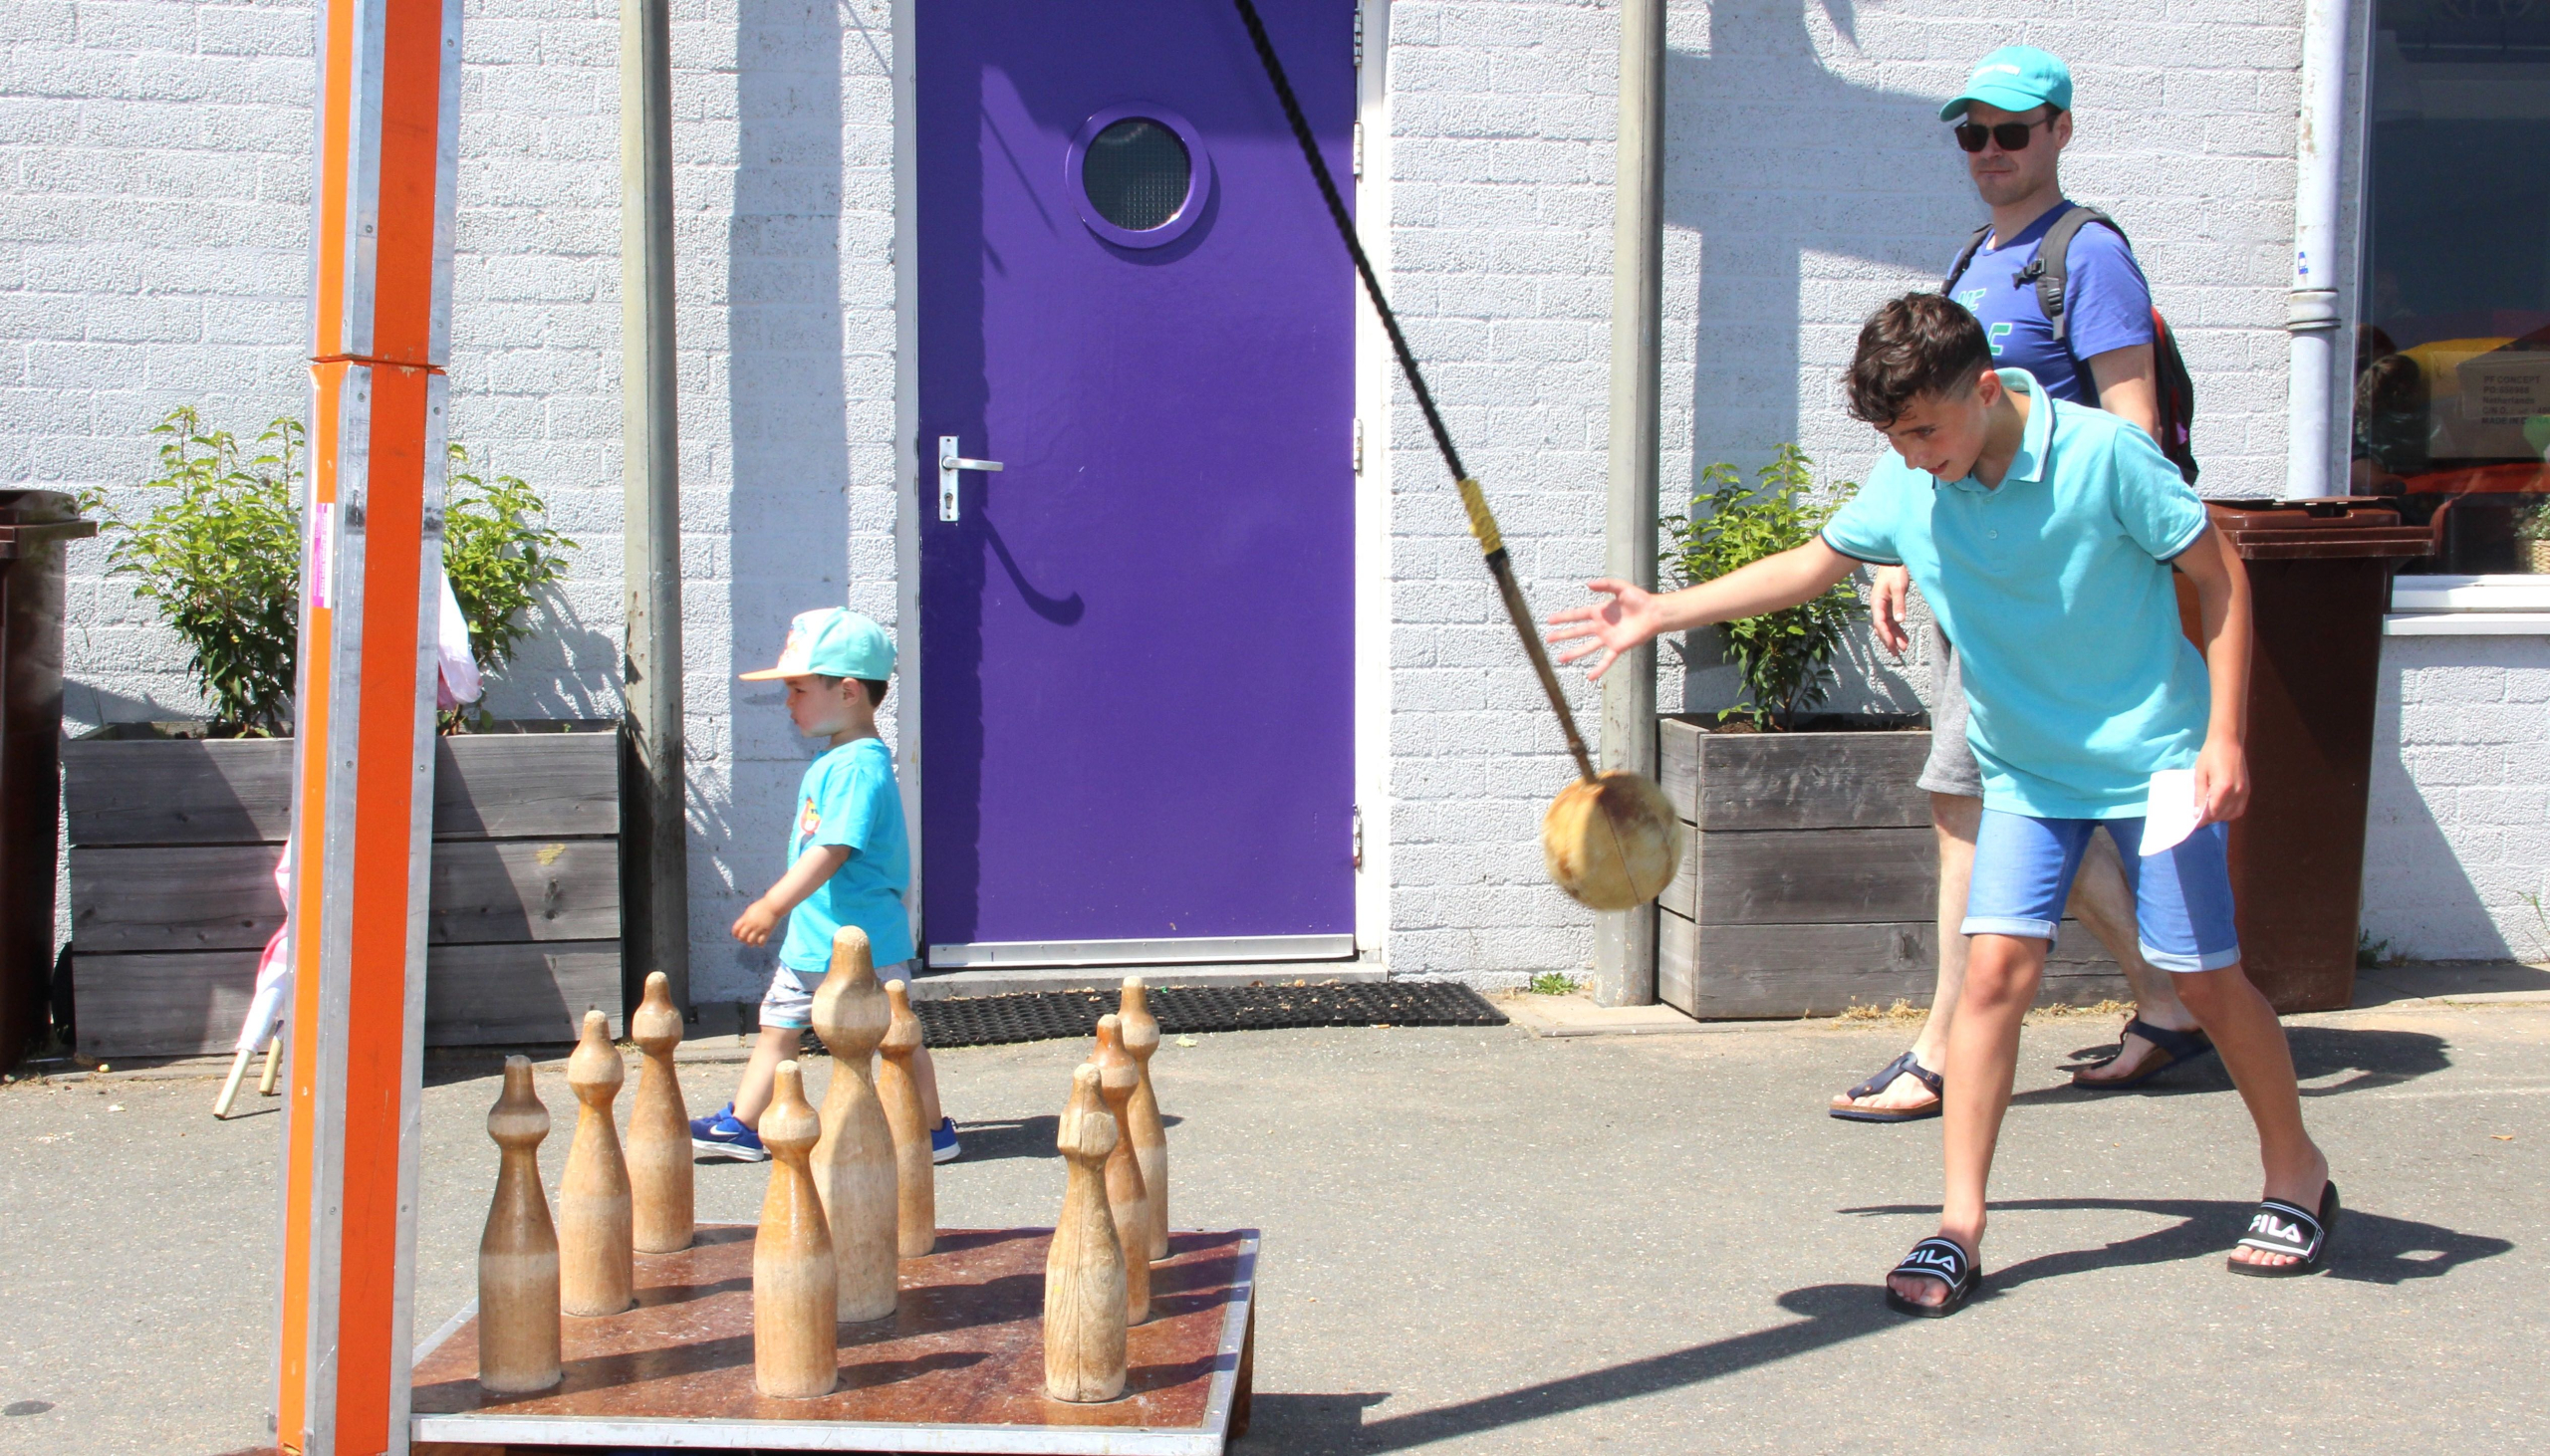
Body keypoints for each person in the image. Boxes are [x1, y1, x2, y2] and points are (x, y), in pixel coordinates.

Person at [1551, 295, 2336, 1310]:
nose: (1912, 454)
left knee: (2204, 980)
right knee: (1991, 980)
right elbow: (1809, 565)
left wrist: (2226, 734)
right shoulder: (1913, 478)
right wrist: (1663, 612)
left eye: (1923, 428)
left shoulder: (2104, 457)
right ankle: (1958, 1223)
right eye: (1892, 436)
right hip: (2025, 770)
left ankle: (2293, 1168)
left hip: (2158, 760)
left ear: (1986, 388)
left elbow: (2218, 574)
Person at [1834, 45, 2218, 1119]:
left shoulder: (2083, 256)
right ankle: (2170, 1000)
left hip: (2046, 596)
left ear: (2058, 131)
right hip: (1984, 586)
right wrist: (1903, 550)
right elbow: (1937, 443)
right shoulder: (1975, 261)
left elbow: (2129, 427)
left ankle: (1943, 1048)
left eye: (2012, 130)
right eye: (1972, 133)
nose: (1990, 151)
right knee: (2012, 798)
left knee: (1968, 804)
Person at [689, 607, 959, 1164]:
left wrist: (772, 903)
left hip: (862, 943)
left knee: (897, 1040)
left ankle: (932, 1131)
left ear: (849, 692)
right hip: (815, 939)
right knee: (777, 1027)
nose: (788, 702)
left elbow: (833, 848)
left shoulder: (859, 766)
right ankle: (744, 1123)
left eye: (797, 689)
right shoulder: (837, 759)